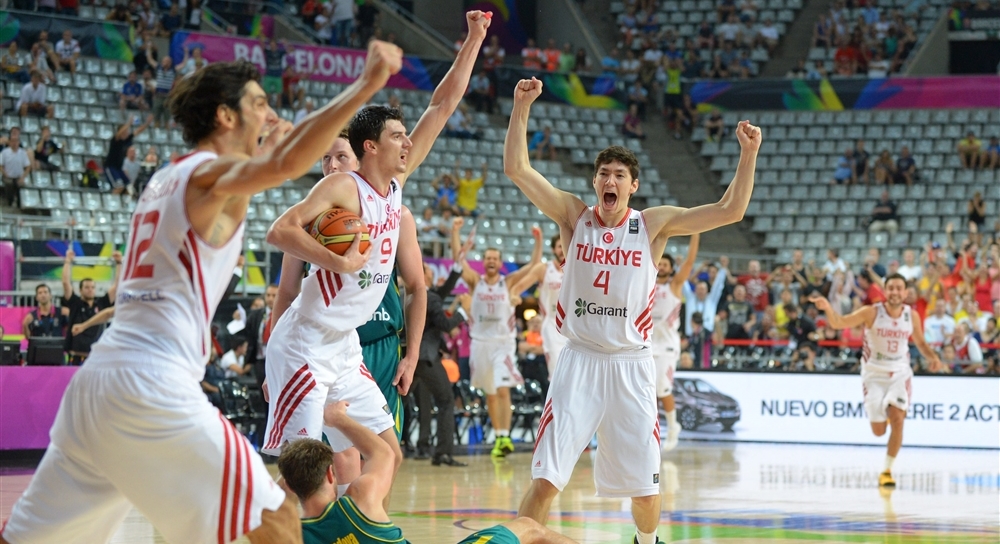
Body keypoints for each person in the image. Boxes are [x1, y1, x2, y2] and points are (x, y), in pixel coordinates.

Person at [1, 39, 404, 544]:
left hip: (97, 387)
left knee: (34, 537)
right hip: (151, 383)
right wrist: (366, 86)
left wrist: (279, 132)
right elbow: (286, 162)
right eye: (258, 103)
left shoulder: (166, 178)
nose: (269, 112)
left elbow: (280, 154)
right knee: (279, 522)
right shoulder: (209, 173)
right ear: (225, 117)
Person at [504, 76, 760, 543]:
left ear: (633, 186)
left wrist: (748, 155)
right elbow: (518, 169)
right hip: (578, 359)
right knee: (545, 477)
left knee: (644, 488)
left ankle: (648, 542)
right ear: (594, 181)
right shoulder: (572, 215)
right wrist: (521, 106)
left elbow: (730, 210)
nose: (610, 180)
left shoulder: (652, 225)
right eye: (603, 173)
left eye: (619, 175)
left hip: (630, 364)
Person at [260, 11, 488, 508]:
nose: (408, 142)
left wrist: (473, 39)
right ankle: (251, 526)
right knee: (305, 479)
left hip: (344, 347)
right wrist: (338, 262)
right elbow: (280, 230)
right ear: (370, 146)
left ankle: (347, 534)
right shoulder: (343, 185)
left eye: (408, 136)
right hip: (305, 345)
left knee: (388, 453)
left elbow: (442, 105)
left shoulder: (394, 191)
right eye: (397, 137)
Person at [277, 413, 576, 544]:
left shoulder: (288, 537)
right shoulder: (359, 500)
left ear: (288, 485)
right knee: (528, 528)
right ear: (331, 473)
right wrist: (338, 418)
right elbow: (384, 454)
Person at [810, 274, 943, 489]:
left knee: (898, 417)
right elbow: (838, 323)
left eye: (899, 288)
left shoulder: (912, 316)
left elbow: (920, 342)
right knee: (879, 431)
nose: (895, 292)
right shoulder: (871, 312)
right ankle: (888, 411)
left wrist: (933, 358)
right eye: (891, 288)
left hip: (899, 372)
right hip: (873, 374)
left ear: (906, 293)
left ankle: (887, 471)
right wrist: (826, 307)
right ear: (885, 291)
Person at [453, 221, 542, 457]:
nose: (491, 261)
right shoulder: (476, 282)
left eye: (495, 258)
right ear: (484, 262)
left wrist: (538, 240)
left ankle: (503, 435)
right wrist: (455, 233)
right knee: (490, 393)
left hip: (503, 343)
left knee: (503, 388)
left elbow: (534, 264)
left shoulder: (508, 282)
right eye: (488, 258)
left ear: (500, 263)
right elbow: (458, 261)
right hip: (480, 344)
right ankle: (500, 437)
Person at [414, 227, 469, 465]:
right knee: (446, 400)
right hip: (427, 358)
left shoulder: (416, 294)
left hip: (412, 358)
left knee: (414, 405)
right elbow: (446, 324)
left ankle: (421, 445)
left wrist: (458, 265)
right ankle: (443, 453)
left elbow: (442, 292)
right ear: (424, 275)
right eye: (427, 270)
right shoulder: (431, 297)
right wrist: (463, 311)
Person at [650, 233, 699, 453]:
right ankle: (650, 433)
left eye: (665, 264)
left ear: (670, 268)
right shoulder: (646, 283)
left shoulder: (675, 285)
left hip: (668, 347)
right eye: (658, 262)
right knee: (646, 393)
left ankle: (673, 427)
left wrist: (695, 233)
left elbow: (689, 262)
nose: (661, 266)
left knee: (662, 389)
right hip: (646, 345)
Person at [518, 232, 568, 375]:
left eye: (564, 245)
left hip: (572, 325)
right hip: (552, 323)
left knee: (575, 373)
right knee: (557, 370)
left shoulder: (577, 268)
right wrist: (513, 295)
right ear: (553, 249)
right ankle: (556, 396)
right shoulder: (544, 269)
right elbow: (521, 286)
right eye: (559, 246)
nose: (562, 249)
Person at [105, 114, 154, 195]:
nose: (127, 131)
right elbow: (118, 134)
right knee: (119, 186)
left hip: (119, 168)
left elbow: (137, 131)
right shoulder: (115, 140)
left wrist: (147, 123)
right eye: (126, 130)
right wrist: (128, 124)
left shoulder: (126, 140)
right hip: (111, 167)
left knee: (129, 187)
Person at [0, 127, 32, 208]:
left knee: (20, 184)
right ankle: (9, 201)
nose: (14, 143)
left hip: (18, 177)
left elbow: (28, 166)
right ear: (10, 142)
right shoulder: (4, 152)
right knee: (9, 183)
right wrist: (4, 173)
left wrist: (23, 176)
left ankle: (19, 204)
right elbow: (0, 165)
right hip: (8, 176)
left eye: (16, 141)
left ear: (18, 142)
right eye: (12, 141)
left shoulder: (23, 153)